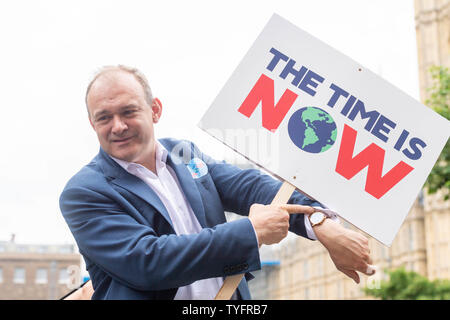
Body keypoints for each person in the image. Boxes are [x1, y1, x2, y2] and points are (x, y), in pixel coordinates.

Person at [59, 65, 375, 300]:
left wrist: (319, 222)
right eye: (104, 117)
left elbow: (251, 188)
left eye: (129, 111)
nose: (118, 126)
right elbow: (149, 261)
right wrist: (252, 231)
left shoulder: (185, 154)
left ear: (155, 110)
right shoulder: (84, 193)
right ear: (92, 123)